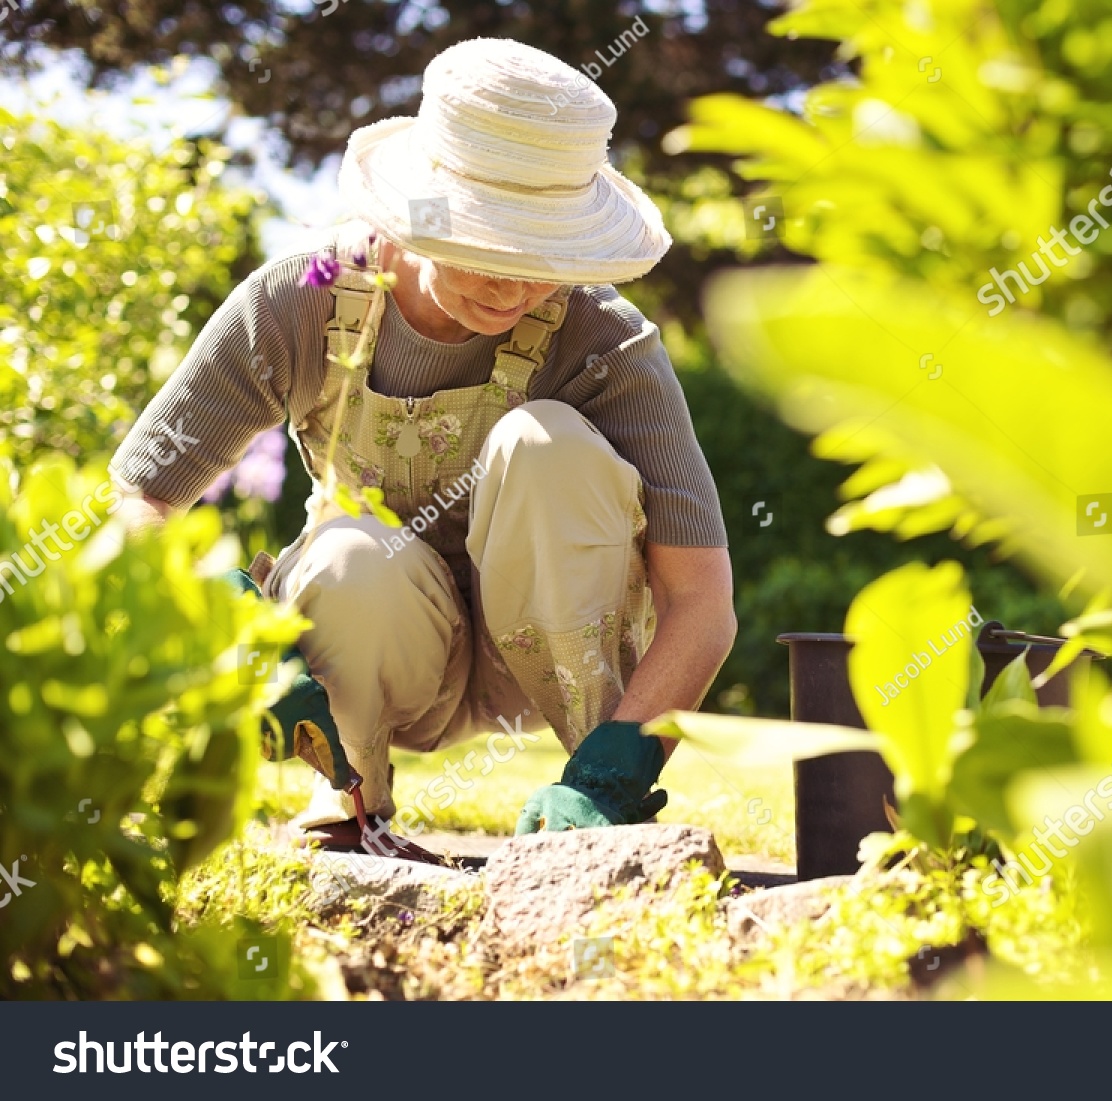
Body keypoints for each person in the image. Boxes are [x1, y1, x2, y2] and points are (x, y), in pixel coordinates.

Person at [109, 38, 736, 853]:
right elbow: (140, 501)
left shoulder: (601, 340)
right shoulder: (304, 300)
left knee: (546, 444)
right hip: (375, 648)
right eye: (489, 245)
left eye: (543, 254)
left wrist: (626, 757)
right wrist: (215, 621)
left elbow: (702, 601)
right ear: (419, 211)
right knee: (345, 553)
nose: (515, 287)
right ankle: (353, 803)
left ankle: (588, 811)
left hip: (545, 657)